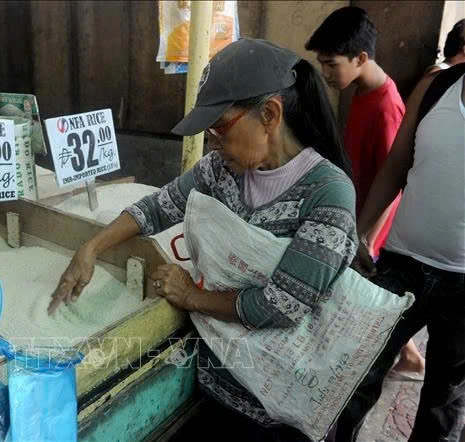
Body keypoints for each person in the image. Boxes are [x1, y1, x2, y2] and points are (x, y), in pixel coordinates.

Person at [48, 38, 357, 441]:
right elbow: (158, 207)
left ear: (269, 114)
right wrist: (90, 248)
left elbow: (280, 306)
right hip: (216, 390)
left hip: (281, 414)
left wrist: (190, 296)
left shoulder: (328, 194)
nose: (211, 145)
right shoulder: (220, 170)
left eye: (219, 130)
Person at [334, 65, 465, 441]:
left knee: (444, 402)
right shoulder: (438, 86)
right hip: (401, 264)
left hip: (463, 285)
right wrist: (360, 234)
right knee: (353, 377)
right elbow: (397, 164)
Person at [305, 6, 425, 380]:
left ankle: (400, 362)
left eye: (331, 64)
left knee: (365, 304)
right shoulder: (361, 90)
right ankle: (410, 359)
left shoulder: (388, 105)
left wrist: (366, 239)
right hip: (358, 215)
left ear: (360, 58)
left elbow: (394, 182)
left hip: (373, 229)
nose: (325, 73)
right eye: (321, 64)